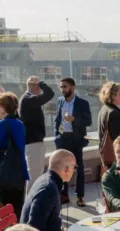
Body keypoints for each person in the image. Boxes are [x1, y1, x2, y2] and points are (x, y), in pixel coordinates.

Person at [19, 149, 100, 231]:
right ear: (67, 169)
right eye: (74, 167)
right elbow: (33, 228)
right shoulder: (48, 189)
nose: (74, 170)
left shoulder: (47, 179)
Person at [0, 92, 29, 218]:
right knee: (17, 208)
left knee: (8, 210)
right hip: (20, 171)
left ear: (3, 108)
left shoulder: (3, 124)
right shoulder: (19, 123)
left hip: (7, 174)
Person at [53, 77, 91, 207]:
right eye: (61, 87)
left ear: (73, 87)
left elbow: (88, 121)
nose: (62, 89)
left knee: (78, 167)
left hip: (76, 139)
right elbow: (57, 120)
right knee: (62, 167)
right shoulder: (60, 101)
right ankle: (64, 195)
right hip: (63, 139)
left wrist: (74, 119)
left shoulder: (82, 103)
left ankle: (80, 196)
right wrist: (56, 136)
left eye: (65, 87)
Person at [19, 76, 55, 192]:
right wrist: (42, 83)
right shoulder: (28, 99)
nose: (40, 90)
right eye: (39, 87)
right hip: (33, 143)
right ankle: (29, 205)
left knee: (36, 174)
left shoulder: (27, 99)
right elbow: (50, 94)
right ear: (36, 87)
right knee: (34, 177)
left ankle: (31, 203)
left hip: (33, 142)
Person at [97, 81, 120, 169]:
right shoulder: (114, 113)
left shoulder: (104, 109)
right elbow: (119, 137)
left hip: (106, 151)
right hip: (116, 154)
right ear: (112, 96)